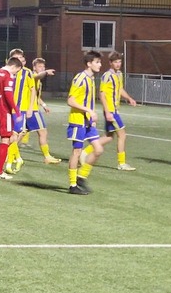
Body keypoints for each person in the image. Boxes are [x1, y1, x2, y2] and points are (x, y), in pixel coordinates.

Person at [67, 51, 105, 194]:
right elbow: (70, 100)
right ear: (89, 64)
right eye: (97, 62)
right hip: (78, 120)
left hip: (88, 122)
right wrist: (88, 111)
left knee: (98, 149)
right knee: (76, 152)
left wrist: (91, 115)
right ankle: (72, 185)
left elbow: (88, 101)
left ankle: (81, 177)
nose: (100, 65)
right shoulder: (80, 78)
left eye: (100, 62)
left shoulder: (91, 78)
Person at [0, 56, 23, 180]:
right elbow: (8, 94)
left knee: (10, 137)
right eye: (16, 71)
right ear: (14, 66)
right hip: (4, 111)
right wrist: (16, 111)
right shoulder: (7, 75)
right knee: (6, 139)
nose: (15, 74)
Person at [99, 51, 137, 171]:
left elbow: (120, 89)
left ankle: (85, 153)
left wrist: (129, 98)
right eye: (115, 62)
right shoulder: (107, 76)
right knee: (122, 135)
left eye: (119, 62)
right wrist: (107, 111)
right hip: (111, 110)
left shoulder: (119, 74)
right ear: (110, 63)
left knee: (109, 136)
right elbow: (102, 94)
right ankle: (121, 163)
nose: (118, 64)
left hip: (115, 109)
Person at [22, 57, 61, 163]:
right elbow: (37, 76)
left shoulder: (38, 81)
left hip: (29, 109)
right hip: (32, 110)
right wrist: (46, 72)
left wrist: (44, 105)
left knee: (20, 134)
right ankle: (47, 157)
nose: (42, 68)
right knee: (43, 132)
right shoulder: (32, 76)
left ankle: (8, 154)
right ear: (34, 67)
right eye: (39, 66)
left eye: (43, 66)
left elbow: (36, 97)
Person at [5, 48, 33, 174]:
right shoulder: (7, 72)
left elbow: (33, 90)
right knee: (10, 136)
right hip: (7, 108)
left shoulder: (27, 72)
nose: (19, 60)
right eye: (17, 58)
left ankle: (9, 163)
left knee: (14, 136)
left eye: (21, 58)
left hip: (19, 109)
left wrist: (30, 108)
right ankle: (17, 158)